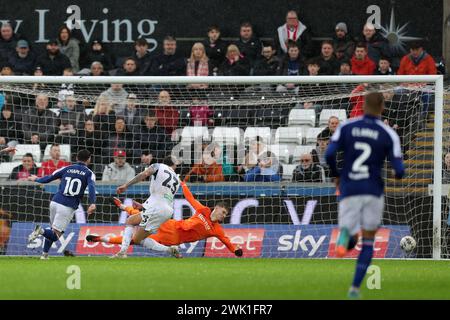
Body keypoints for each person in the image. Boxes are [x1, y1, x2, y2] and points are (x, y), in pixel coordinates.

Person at [325, 92, 405, 299]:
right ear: (382, 107)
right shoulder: (388, 133)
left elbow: (329, 154)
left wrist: (336, 174)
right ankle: (354, 289)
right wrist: (397, 175)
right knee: (368, 241)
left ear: (363, 105)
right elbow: (399, 168)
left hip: (349, 188)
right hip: (373, 190)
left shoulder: (346, 126)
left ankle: (346, 235)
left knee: (350, 236)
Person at [87, 182, 243, 257]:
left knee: (135, 239)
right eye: (223, 212)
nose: (223, 216)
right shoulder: (203, 211)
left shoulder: (216, 230)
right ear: (216, 208)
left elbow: (227, 241)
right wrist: (183, 184)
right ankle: (123, 207)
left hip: (173, 237)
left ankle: (99, 238)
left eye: (225, 215)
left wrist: (236, 250)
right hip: (172, 224)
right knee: (146, 217)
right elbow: (191, 199)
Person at [27, 149, 96, 259]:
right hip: (67, 206)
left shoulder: (66, 168)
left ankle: (44, 255)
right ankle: (40, 230)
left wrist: (37, 179)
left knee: (52, 229)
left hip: (55, 201)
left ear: (76, 158)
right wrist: (92, 203)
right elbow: (92, 187)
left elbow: (50, 177)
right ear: (89, 159)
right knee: (55, 236)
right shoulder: (89, 173)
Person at [112, 156, 180, 258]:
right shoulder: (177, 179)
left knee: (137, 239)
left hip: (156, 207)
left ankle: (122, 252)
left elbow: (144, 174)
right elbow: (163, 196)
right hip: (167, 210)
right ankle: (170, 249)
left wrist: (126, 185)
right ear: (173, 165)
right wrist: (143, 206)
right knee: (131, 221)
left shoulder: (158, 166)